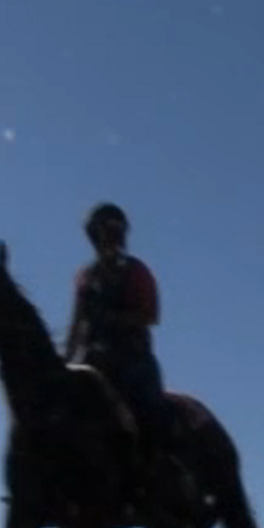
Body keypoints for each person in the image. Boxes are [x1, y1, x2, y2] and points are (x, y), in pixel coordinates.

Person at [63, 202, 190, 498]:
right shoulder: (84, 276)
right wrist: (65, 358)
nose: (104, 239)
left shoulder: (136, 271)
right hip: (91, 360)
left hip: (131, 358)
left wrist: (112, 318)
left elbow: (151, 316)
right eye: (99, 233)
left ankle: (166, 474)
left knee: (150, 409)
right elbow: (76, 323)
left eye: (108, 232)